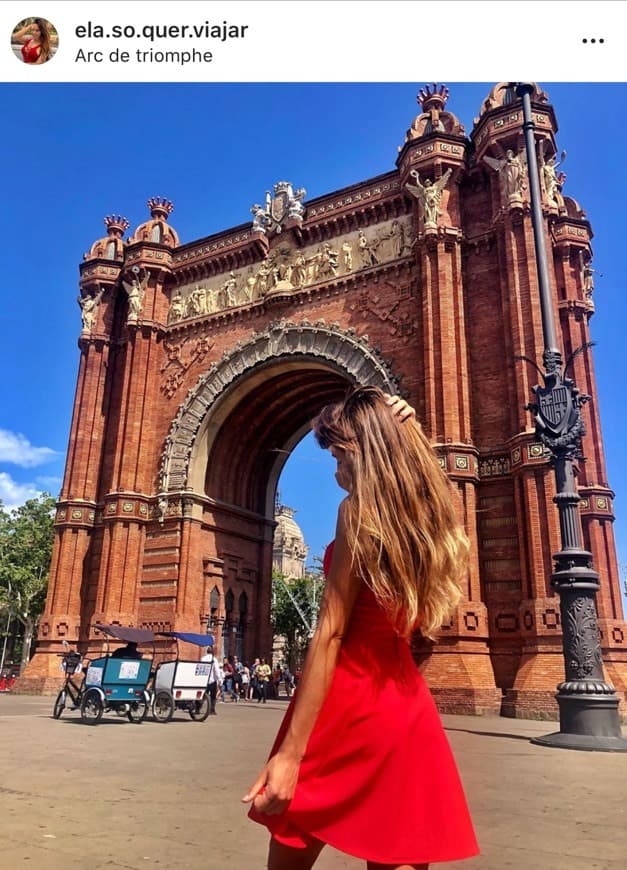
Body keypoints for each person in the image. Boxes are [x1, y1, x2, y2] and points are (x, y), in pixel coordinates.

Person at [243, 387, 478, 870]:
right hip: (406, 710)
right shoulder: (432, 519)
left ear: (366, 451)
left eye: (340, 454)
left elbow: (329, 632)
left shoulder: (358, 513)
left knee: (291, 835)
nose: (335, 470)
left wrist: (289, 755)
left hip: (343, 702)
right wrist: (409, 428)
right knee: (402, 850)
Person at [200, 645, 220, 715]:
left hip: (204, 680)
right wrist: (219, 679)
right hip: (212, 680)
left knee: (202, 695)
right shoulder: (214, 659)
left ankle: (198, 708)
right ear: (212, 652)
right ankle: (212, 710)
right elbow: (217, 671)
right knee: (213, 696)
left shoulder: (202, 658)